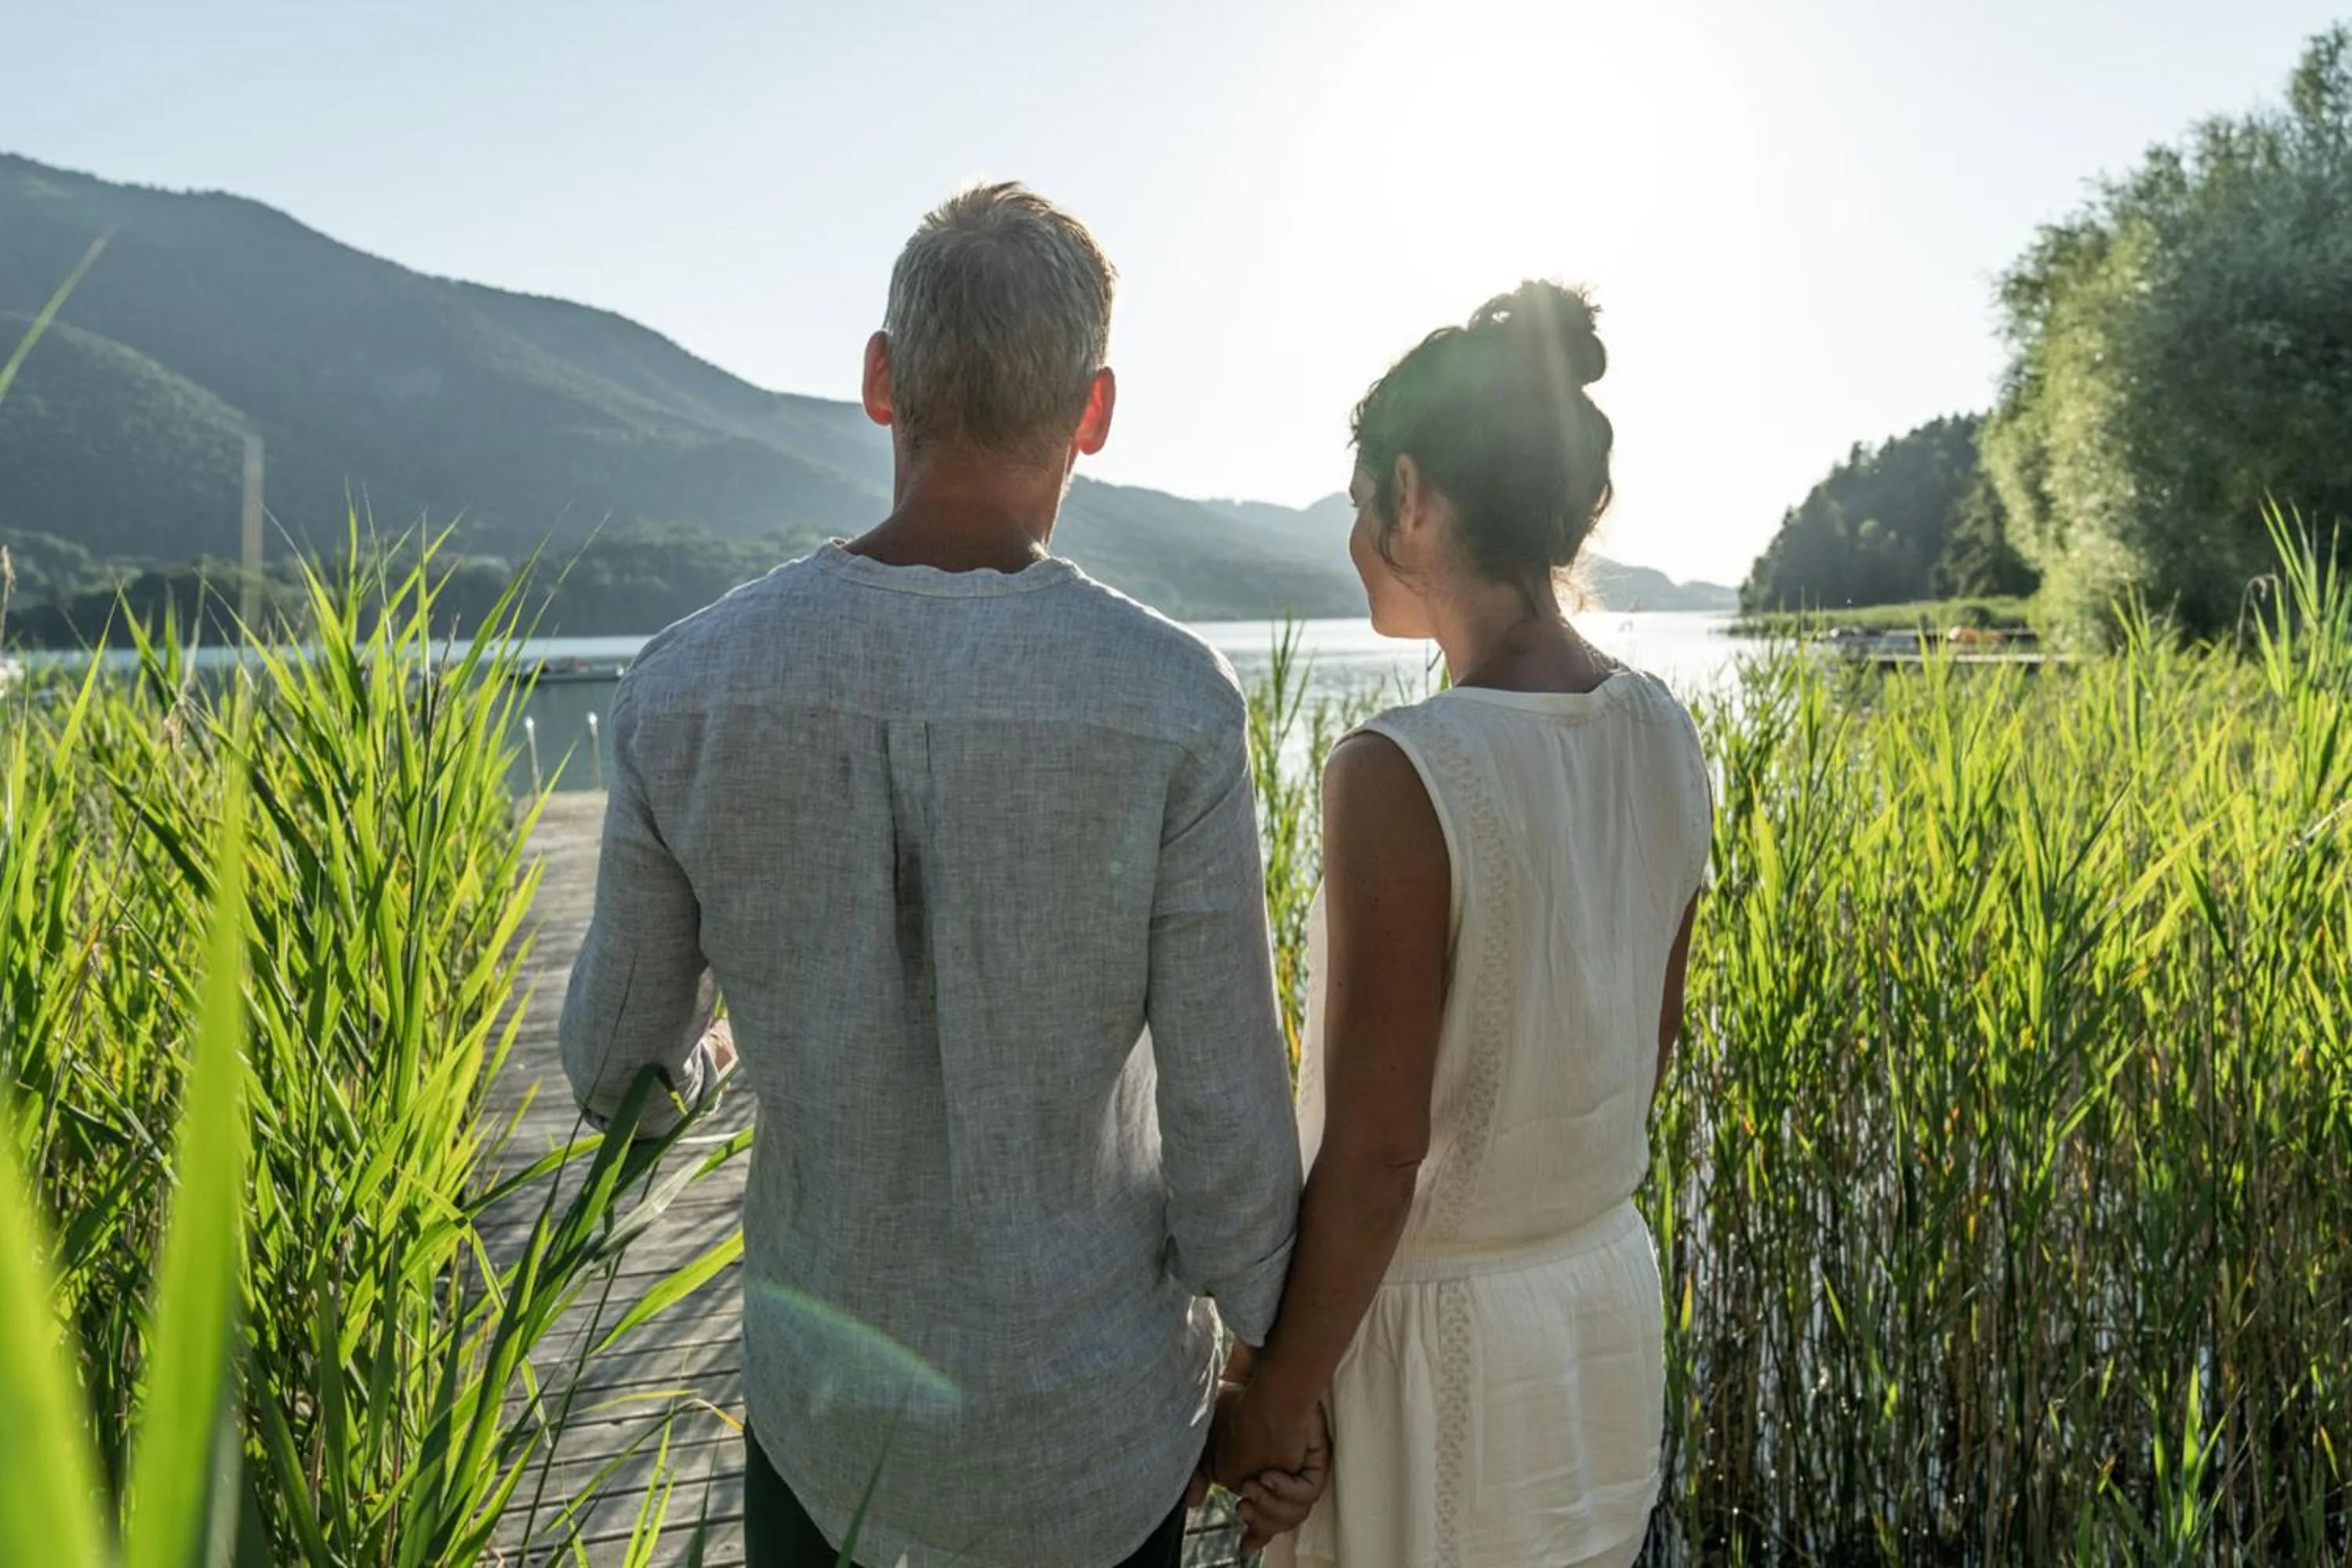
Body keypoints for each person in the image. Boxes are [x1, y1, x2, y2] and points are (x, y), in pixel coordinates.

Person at [558, 183, 1305, 1568]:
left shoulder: (686, 691)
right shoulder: (1173, 706)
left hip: (830, 1438)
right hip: (1096, 1446)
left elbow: (617, 1068)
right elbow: (1233, 1156)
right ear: (1094, 411)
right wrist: (1271, 1386)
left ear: (879, 381)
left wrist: (712, 1060)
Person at [1210, 282, 1712, 1567]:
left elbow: (1378, 1157)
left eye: (1359, 497)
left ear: (1413, 496)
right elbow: (1648, 1055)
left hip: (1426, 1351)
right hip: (1597, 1312)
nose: (1352, 533)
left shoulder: (1400, 770)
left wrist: (1269, 1408)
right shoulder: (1667, 731)